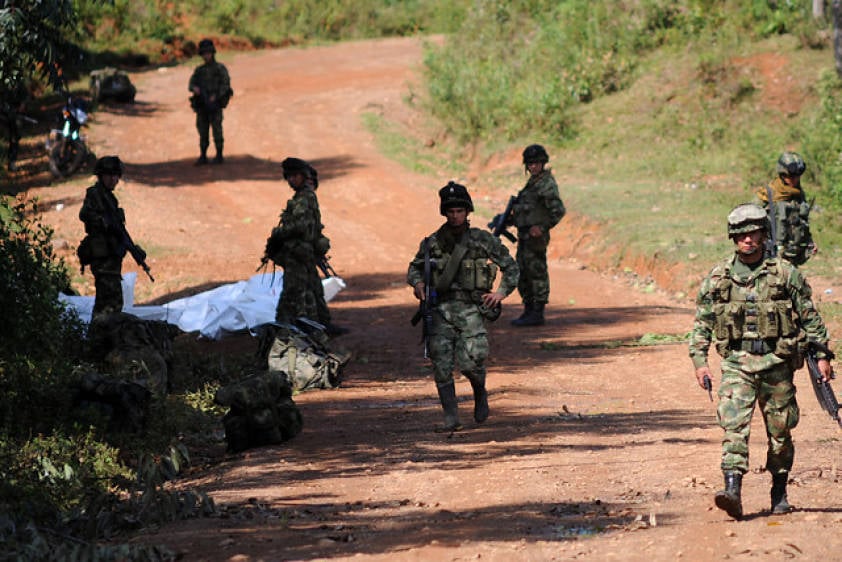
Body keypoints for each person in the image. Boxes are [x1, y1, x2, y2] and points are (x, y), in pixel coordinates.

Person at [689, 203, 833, 520]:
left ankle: (779, 490)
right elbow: (702, 323)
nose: (747, 240)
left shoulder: (785, 274)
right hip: (737, 363)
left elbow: (810, 318)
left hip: (777, 362)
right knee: (734, 428)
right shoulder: (718, 278)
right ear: (733, 238)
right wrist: (700, 361)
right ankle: (733, 490)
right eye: (741, 235)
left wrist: (822, 355)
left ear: (763, 234)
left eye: (753, 233)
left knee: (780, 433)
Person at [407, 181, 519, 431]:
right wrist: (418, 285)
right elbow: (414, 268)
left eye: (459, 211)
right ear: (444, 213)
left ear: (467, 212)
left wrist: (500, 293)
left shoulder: (482, 240)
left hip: (471, 310)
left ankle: (479, 391)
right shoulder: (432, 243)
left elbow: (511, 267)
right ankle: (451, 417)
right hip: (440, 310)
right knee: (441, 364)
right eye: (450, 211)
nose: (455, 216)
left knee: (471, 363)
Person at [264, 157, 345, 336]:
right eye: (289, 177)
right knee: (306, 289)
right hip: (300, 253)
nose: (291, 180)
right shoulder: (303, 197)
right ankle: (297, 326)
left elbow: (301, 227)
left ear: (303, 176)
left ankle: (300, 326)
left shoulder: (303, 198)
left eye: (295, 176)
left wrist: (278, 234)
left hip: (300, 253)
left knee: (300, 290)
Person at [79, 156, 143, 319]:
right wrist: (102, 221)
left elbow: (119, 229)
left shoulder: (109, 197)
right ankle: (101, 339)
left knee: (109, 303)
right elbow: (84, 214)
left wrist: (132, 248)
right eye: (110, 175)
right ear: (101, 175)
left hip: (110, 256)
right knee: (109, 303)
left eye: (117, 175)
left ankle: (102, 338)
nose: (115, 179)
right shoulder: (95, 194)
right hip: (102, 257)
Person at [509, 144, 566, 327]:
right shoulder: (533, 183)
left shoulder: (546, 184)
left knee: (536, 272)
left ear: (543, 163)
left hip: (536, 237)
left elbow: (558, 210)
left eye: (536, 163)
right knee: (522, 272)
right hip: (525, 235)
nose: (533, 166)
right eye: (530, 164)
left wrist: (542, 227)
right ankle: (528, 309)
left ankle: (537, 312)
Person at [753, 151, 816, 266]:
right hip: (771, 255)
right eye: (791, 176)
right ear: (782, 174)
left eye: (797, 176)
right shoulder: (767, 194)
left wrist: (809, 242)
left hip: (792, 254)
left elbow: (802, 221)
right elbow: (751, 222)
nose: (794, 180)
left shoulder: (798, 194)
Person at [188, 38, 232, 165]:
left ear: (212, 53)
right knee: (203, 131)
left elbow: (226, 85)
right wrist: (195, 89)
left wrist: (216, 96)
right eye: (204, 53)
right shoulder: (199, 71)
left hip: (215, 105)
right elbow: (191, 84)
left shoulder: (220, 69)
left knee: (217, 130)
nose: (206, 56)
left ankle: (219, 155)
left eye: (208, 53)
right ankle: (203, 155)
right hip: (202, 105)